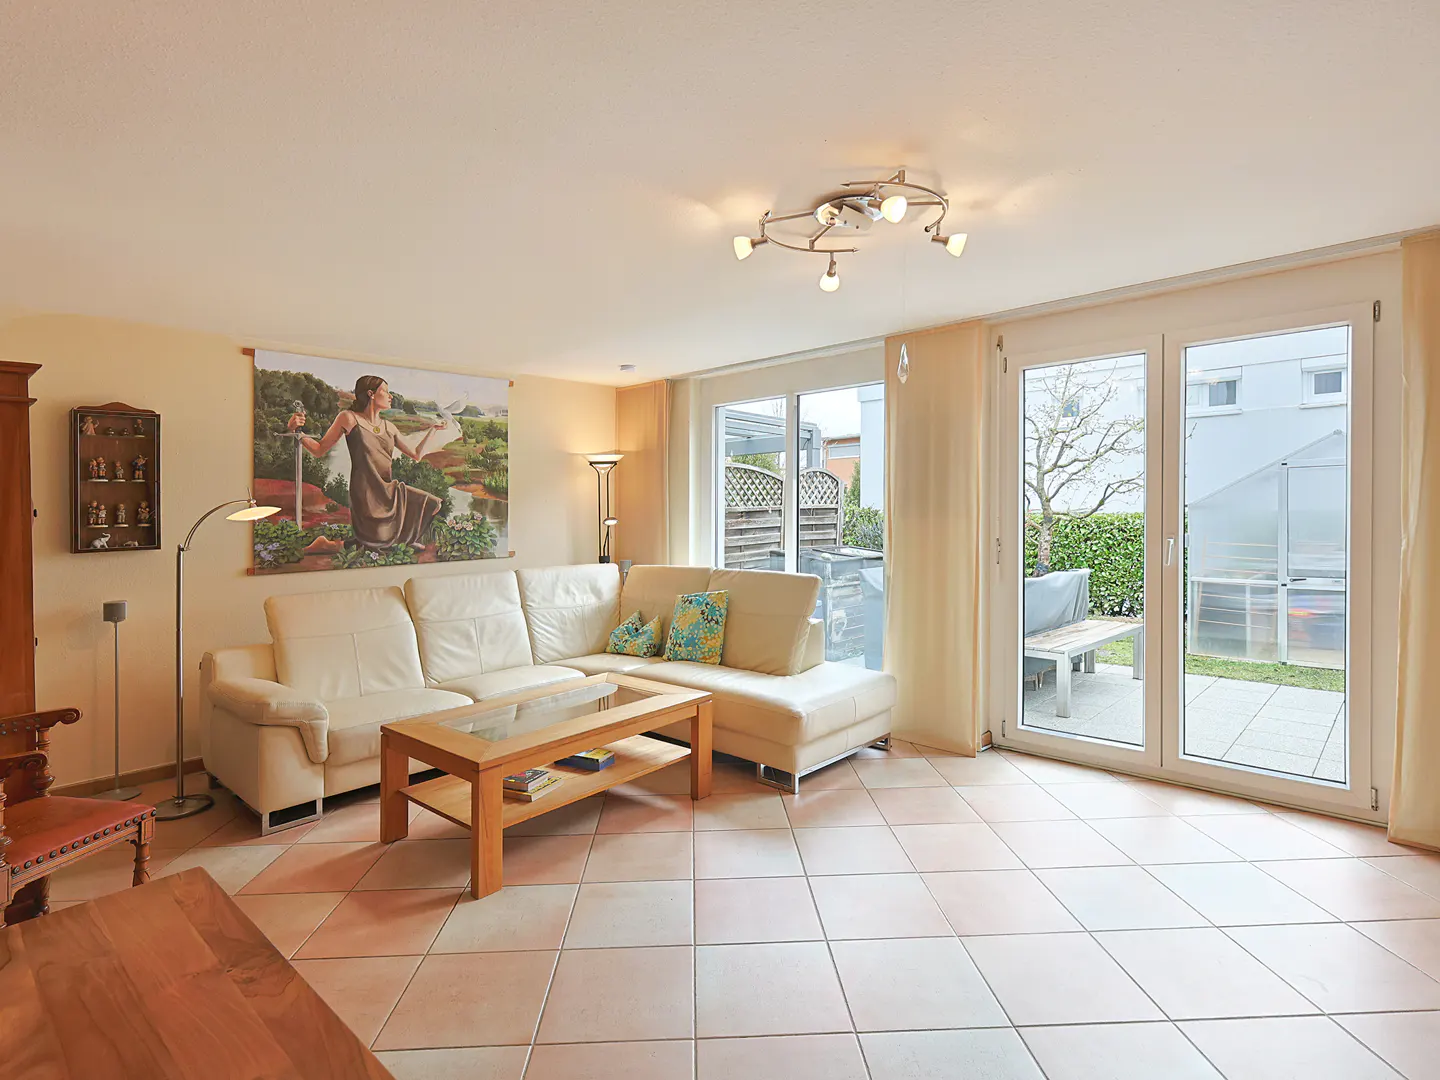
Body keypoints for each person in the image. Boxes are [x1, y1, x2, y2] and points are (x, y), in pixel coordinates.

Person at [287, 376, 447, 550]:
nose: (390, 396)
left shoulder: (389, 427)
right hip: (366, 493)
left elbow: (416, 455)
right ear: (371, 394)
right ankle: (326, 545)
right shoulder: (348, 418)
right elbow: (319, 450)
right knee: (376, 541)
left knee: (434, 504)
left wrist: (433, 430)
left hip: (389, 490)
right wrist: (297, 431)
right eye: (385, 391)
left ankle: (403, 539)